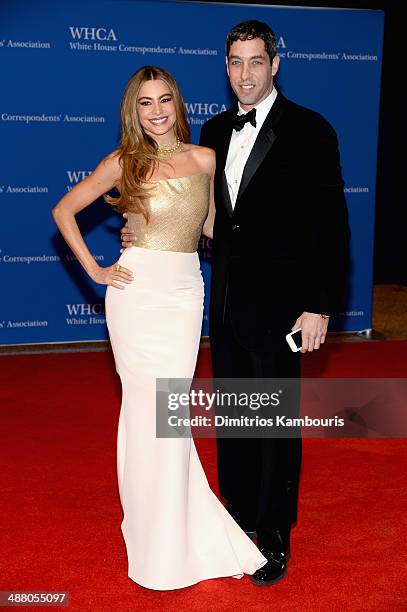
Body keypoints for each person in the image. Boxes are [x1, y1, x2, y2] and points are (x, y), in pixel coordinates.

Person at [122, 20, 350, 587]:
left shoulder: (311, 130)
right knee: (234, 416)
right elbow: (207, 221)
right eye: (235, 62)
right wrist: (141, 228)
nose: (245, 73)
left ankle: (274, 532)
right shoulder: (213, 130)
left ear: (275, 64)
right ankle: (239, 514)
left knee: (274, 421)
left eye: (255, 61)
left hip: (283, 306)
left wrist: (320, 306)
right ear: (225, 67)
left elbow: (331, 226)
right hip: (224, 302)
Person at [51, 65, 267, 590]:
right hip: (136, 294)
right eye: (144, 103)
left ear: (178, 104)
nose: (156, 112)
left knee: (170, 412)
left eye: (164, 100)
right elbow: (64, 210)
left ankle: (176, 532)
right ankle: (153, 536)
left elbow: (216, 228)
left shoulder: (204, 159)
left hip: (185, 293)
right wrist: (97, 271)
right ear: (134, 111)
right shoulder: (123, 162)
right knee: (145, 409)